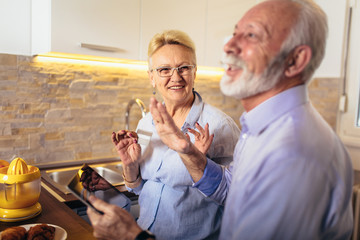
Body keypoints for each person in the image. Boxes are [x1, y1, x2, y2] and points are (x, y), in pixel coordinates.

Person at [87, 0, 354, 239]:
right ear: (152, 77)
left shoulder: (292, 152)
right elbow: (230, 191)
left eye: (252, 35)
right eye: (236, 32)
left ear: (296, 60)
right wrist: (138, 166)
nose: (227, 45)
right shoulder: (254, 130)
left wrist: (130, 236)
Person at [89, 29, 240, 240]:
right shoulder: (146, 123)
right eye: (164, 69)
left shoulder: (220, 126)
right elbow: (140, 188)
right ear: (152, 77)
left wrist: (197, 162)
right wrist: (130, 168)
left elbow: (236, 198)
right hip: (144, 233)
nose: (175, 77)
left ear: (195, 72)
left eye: (184, 68)